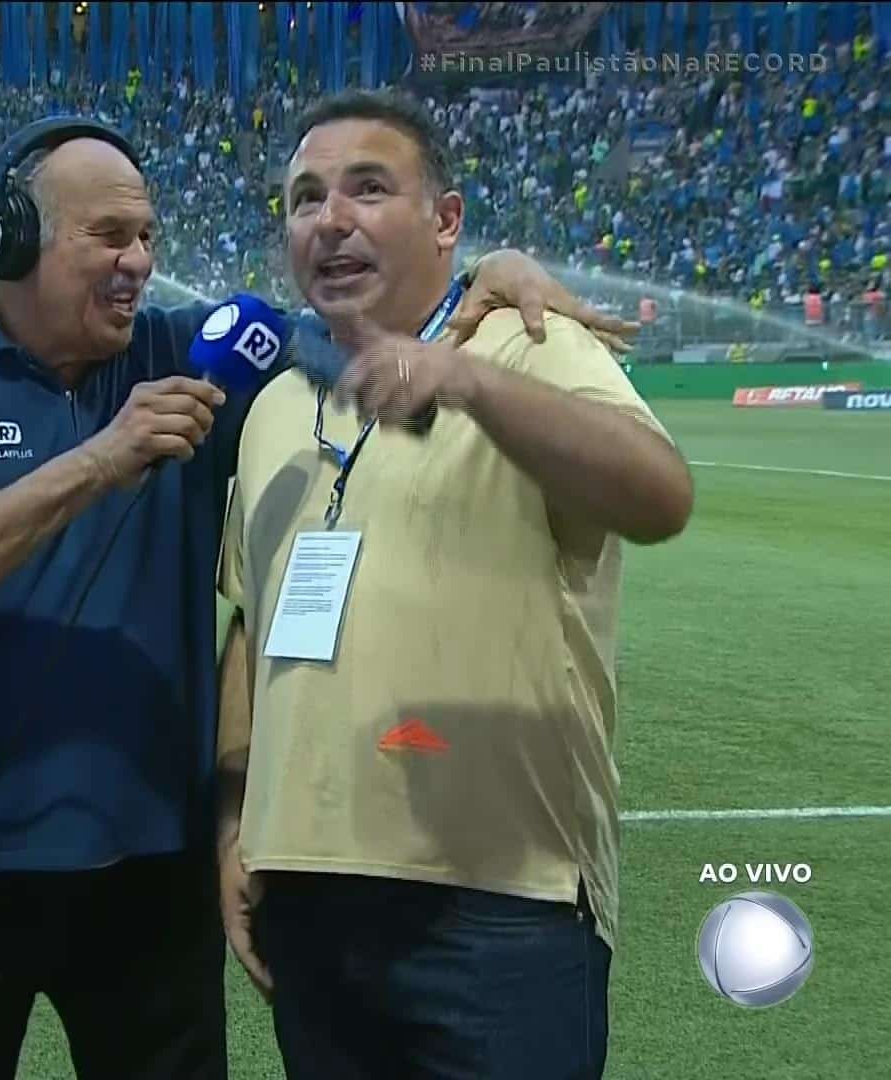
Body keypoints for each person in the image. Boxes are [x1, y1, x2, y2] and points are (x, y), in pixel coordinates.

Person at [0, 115, 633, 1080]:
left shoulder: (211, 356)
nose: (138, 262)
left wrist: (494, 278)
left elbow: (394, 348)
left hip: (148, 879)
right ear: (11, 236)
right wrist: (100, 460)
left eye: (149, 238)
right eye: (110, 236)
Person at [215, 90, 693, 1080]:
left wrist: (469, 381)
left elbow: (660, 496)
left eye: (368, 189)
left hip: (497, 904)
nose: (330, 219)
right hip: (306, 899)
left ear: (448, 222)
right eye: (305, 199)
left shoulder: (527, 340)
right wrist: (233, 825)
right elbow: (252, 629)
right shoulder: (272, 407)